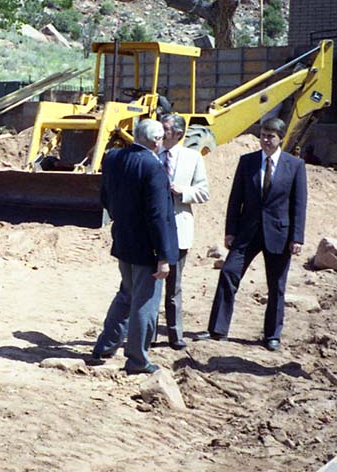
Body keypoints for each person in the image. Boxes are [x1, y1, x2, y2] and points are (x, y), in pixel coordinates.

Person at [197, 118, 306, 351]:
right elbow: (236, 198)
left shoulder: (295, 166)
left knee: (276, 285)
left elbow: (299, 204)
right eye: (263, 135)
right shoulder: (247, 162)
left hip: (279, 233)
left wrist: (297, 237)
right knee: (228, 273)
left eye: (271, 136)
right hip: (247, 232)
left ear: (280, 138)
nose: (266, 140)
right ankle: (218, 329)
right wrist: (230, 231)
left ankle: (272, 335)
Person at [89, 119, 178, 375]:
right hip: (147, 249)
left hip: (124, 240)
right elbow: (158, 215)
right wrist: (163, 256)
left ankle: (105, 346)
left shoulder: (114, 158)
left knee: (126, 294)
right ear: (156, 141)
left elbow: (105, 197)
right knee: (144, 303)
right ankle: (138, 360)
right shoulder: (154, 167)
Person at [158, 114, 210, 350]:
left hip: (179, 227)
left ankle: (175, 334)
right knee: (151, 284)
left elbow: (204, 192)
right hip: (154, 230)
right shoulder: (151, 155)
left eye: (166, 129)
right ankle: (149, 334)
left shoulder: (192, 158)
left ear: (178, 134)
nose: (161, 132)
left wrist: (183, 192)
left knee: (174, 285)